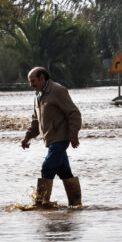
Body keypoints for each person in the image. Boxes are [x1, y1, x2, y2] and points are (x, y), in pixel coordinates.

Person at [20, 66, 82, 207]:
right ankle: (76, 205)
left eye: (33, 81)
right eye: (29, 82)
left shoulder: (58, 90)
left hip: (60, 139)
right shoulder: (38, 95)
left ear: (42, 78)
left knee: (47, 168)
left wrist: (73, 135)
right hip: (50, 140)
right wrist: (27, 137)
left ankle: (41, 203)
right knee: (65, 173)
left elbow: (74, 113)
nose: (31, 85)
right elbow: (36, 120)